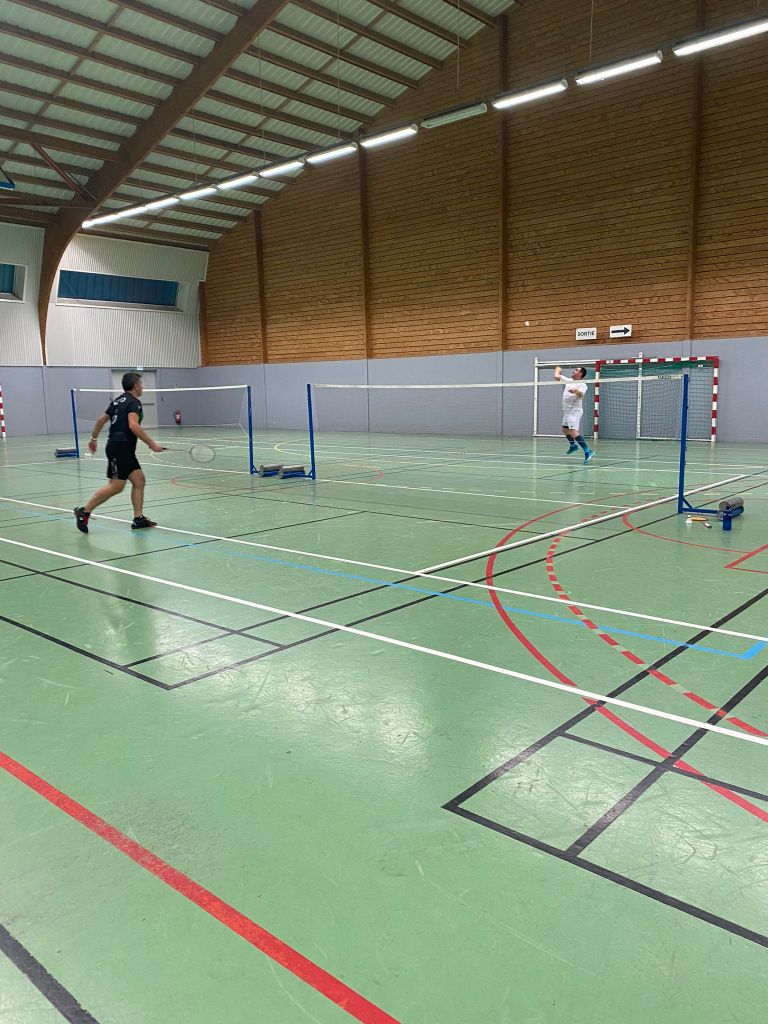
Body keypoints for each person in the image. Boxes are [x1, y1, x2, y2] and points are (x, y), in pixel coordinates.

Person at [74, 372, 165, 533]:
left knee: (139, 480)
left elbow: (101, 420)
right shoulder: (134, 402)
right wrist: (152, 444)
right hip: (120, 448)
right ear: (135, 385)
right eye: (141, 384)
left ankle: (138, 519)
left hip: (122, 448)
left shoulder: (117, 401)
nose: (142, 387)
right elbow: (133, 425)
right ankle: (84, 511)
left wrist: (93, 438)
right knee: (116, 486)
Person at [554, 365, 594, 464]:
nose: (574, 371)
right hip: (567, 411)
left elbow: (580, 395)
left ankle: (588, 451)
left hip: (575, 411)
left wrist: (576, 391)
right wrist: (558, 368)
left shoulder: (582, 385)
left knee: (573, 432)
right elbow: (556, 376)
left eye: (576, 370)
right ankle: (573, 446)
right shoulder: (568, 380)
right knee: (565, 430)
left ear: (580, 374)